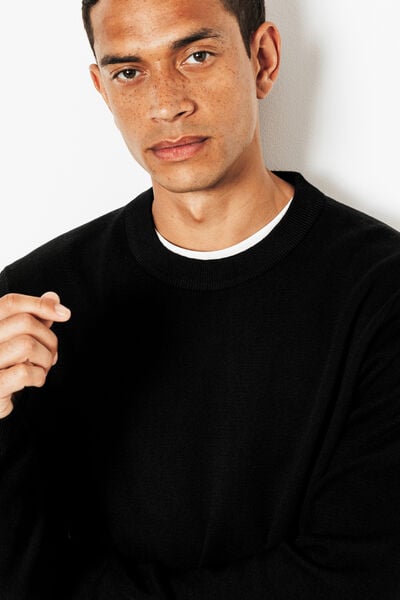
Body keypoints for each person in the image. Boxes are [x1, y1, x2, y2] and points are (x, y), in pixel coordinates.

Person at [0, 0, 399, 597]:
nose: (166, 104)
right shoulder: (31, 303)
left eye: (197, 55)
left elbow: (361, 575)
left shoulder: (382, 292)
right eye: (129, 71)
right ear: (103, 90)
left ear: (263, 59)